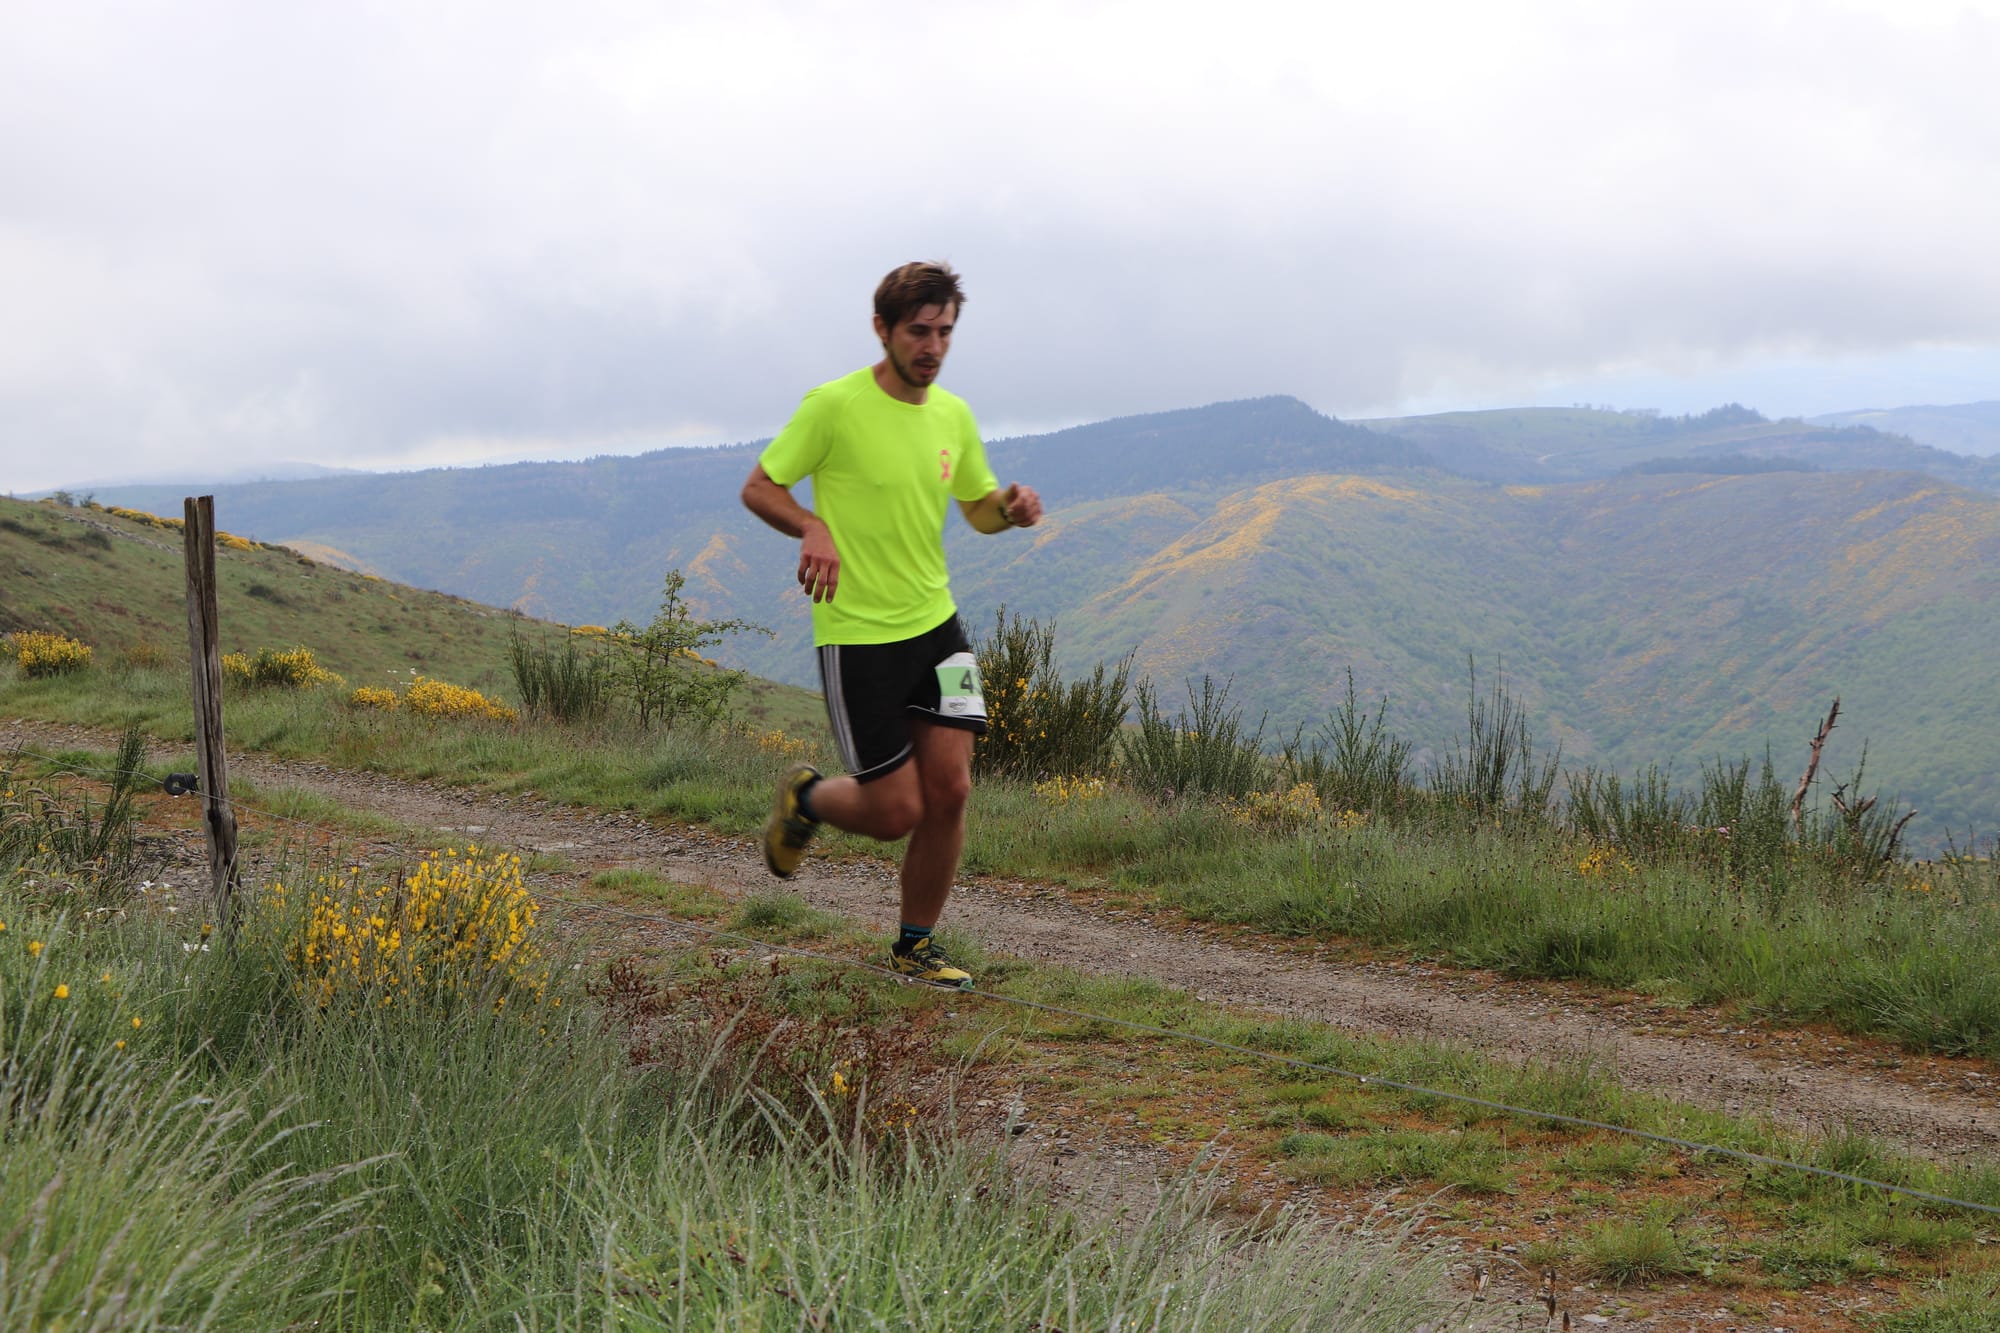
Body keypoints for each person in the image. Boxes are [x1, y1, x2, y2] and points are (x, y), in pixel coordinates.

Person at [740, 261, 1041, 989]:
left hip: (937, 627)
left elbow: (973, 507)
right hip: (860, 636)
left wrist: (1006, 508)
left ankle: (917, 946)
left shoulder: (953, 416)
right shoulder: (834, 406)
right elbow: (759, 486)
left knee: (954, 791)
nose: (933, 346)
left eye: (944, 331)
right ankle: (806, 798)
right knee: (895, 810)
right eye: (918, 331)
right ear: (883, 330)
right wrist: (811, 524)